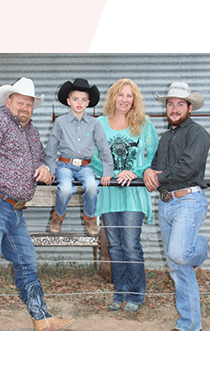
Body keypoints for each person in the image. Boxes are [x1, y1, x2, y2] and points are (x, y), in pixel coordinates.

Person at [0, 77, 76, 332]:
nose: (25, 108)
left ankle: (42, 319)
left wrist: (43, 167)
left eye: (29, 105)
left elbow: (38, 158)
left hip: (15, 209)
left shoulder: (32, 132)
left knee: (27, 262)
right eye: (21, 103)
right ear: (9, 101)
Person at [143, 81, 210, 333]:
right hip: (167, 204)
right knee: (178, 266)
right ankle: (190, 326)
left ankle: (202, 247)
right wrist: (148, 171)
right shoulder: (164, 138)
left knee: (179, 254)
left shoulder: (198, 134)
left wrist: (158, 177)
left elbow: (188, 167)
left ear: (189, 108)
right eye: (170, 104)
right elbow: (154, 165)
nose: (174, 108)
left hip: (188, 200)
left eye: (180, 104)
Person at [91, 79, 159, 313]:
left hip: (134, 193)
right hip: (109, 192)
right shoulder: (99, 123)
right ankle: (119, 293)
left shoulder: (143, 123)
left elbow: (154, 156)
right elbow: (93, 157)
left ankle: (136, 294)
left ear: (135, 99)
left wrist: (137, 172)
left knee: (130, 244)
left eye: (129, 96)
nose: (124, 99)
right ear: (113, 97)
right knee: (115, 246)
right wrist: (114, 172)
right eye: (120, 95)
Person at [45, 78, 113, 235]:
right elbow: (51, 148)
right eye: (75, 99)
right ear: (68, 101)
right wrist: (51, 170)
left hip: (85, 166)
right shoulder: (60, 122)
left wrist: (107, 171)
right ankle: (58, 216)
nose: (79, 103)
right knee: (66, 189)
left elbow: (104, 148)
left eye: (83, 99)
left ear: (88, 102)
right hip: (64, 165)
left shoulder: (94, 124)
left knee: (92, 186)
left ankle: (90, 217)